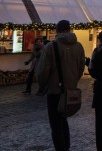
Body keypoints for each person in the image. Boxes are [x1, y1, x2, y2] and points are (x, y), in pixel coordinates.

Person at [36, 20, 85, 151]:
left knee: (55, 123)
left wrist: (42, 85)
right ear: (69, 30)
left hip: (54, 90)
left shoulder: (51, 47)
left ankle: (61, 148)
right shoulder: (79, 46)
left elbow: (42, 71)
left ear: (57, 31)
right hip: (69, 90)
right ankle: (66, 147)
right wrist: (72, 81)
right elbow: (81, 68)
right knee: (63, 119)